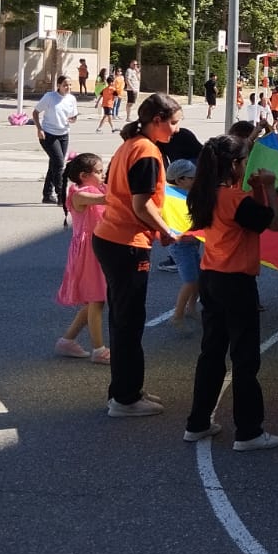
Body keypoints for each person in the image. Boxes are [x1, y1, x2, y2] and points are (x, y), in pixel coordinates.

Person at [183, 133, 278, 451]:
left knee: (212, 353)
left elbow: (249, 218)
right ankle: (249, 431)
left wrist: (256, 190)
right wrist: (269, 187)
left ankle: (198, 422)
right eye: (244, 160)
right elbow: (274, 223)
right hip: (236, 282)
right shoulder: (234, 200)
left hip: (211, 277)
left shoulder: (205, 194)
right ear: (235, 165)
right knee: (244, 358)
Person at [92, 94, 184, 418]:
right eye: (174, 123)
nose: (176, 130)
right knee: (129, 322)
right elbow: (141, 205)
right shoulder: (146, 151)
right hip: (126, 242)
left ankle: (125, 389)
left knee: (122, 319)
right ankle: (125, 398)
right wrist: (167, 231)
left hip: (111, 237)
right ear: (157, 120)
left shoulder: (130, 145)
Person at [55, 154, 111, 363]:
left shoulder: (96, 188)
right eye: (99, 172)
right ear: (83, 176)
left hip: (95, 247)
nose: (103, 174)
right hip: (88, 251)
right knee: (97, 299)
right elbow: (107, 199)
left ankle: (67, 341)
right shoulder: (79, 194)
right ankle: (99, 350)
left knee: (96, 299)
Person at [166, 158, 203, 335]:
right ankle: (177, 315)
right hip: (180, 245)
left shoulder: (188, 194)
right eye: (192, 178)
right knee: (190, 281)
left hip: (191, 243)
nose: (196, 180)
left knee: (198, 279)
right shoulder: (172, 198)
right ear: (180, 180)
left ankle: (191, 308)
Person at [32, 75, 78, 205]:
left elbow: (74, 116)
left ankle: (47, 195)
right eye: (65, 85)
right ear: (58, 85)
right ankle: (61, 195)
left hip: (63, 134)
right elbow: (35, 112)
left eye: (69, 85)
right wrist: (39, 129)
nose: (68, 87)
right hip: (48, 135)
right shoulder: (50, 97)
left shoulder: (71, 99)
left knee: (54, 164)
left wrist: (73, 119)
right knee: (59, 163)